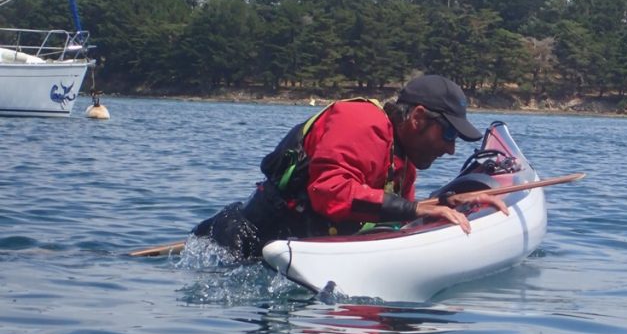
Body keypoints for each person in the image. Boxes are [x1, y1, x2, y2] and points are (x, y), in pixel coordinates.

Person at [193, 74, 508, 259]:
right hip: (240, 243)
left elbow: (397, 215)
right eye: (449, 134)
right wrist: (417, 209)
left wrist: (449, 203)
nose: (451, 149)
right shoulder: (361, 122)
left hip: (297, 247)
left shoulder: (403, 164)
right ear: (417, 118)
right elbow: (329, 194)